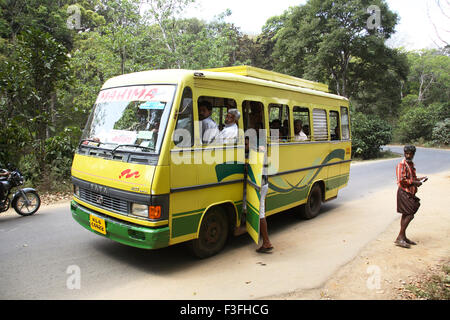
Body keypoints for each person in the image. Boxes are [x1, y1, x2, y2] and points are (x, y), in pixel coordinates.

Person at [395, 145, 427, 248]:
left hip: (410, 192)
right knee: (410, 214)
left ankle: (403, 237)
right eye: (406, 153)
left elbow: (411, 177)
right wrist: (415, 182)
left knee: (406, 214)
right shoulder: (402, 164)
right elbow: (402, 180)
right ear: (404, 153)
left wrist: (420, 179)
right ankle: (400, 237)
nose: (408, 155)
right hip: (404, 192)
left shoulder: (410, 164)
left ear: (413, 154)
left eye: (410, 154)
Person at [256, 145, 273, 253]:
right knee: (261, 212)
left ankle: (267, 242)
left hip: (261, 187)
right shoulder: (265, 160)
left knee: (261, 213)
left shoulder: (259, 162)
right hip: (264, 185)